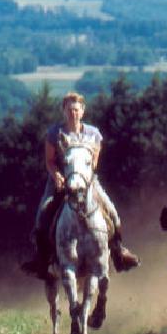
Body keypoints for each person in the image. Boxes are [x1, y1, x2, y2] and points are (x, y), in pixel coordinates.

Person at [21, 91, 140, 279]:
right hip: (59, 182)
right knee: (43, 214)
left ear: (82, 111)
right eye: (69, 109)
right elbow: (50, 161)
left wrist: (83, 177)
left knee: (113, 213)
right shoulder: (54, 134)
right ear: (64, 110)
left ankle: (118, 252)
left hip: (87, 182)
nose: (73, 113)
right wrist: (58, 176)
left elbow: (94, 162)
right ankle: (42, 259)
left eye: (76, 109)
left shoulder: (93, 134)